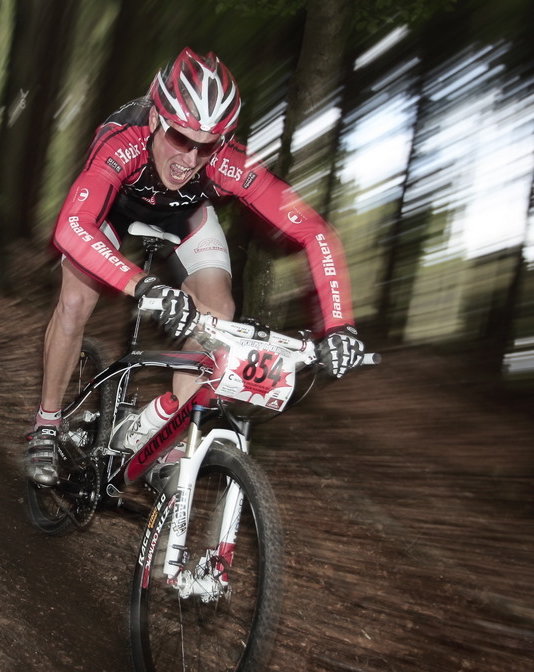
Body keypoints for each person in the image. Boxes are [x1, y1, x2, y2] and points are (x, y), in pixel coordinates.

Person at [24, 48, 366, 486]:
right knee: (74, 301)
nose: (190, 158)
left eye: (206, 146)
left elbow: (316, 233)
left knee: (218, 310)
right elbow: (72, 227)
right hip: (114, 211)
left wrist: (340, 326)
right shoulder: (121, 141)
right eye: (180, 138)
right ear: (154, 121)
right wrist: (143, 286)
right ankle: (47, 425)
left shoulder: (225, 162)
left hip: (183, 217)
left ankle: (172, 443)